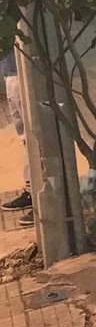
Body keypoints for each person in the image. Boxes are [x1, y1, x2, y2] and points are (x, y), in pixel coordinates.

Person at [1, 50, 33, 226]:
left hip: (20, 72)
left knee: (31, 135)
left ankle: (39, 195)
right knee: (24, 135)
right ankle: (31, 190)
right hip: (10, 72)